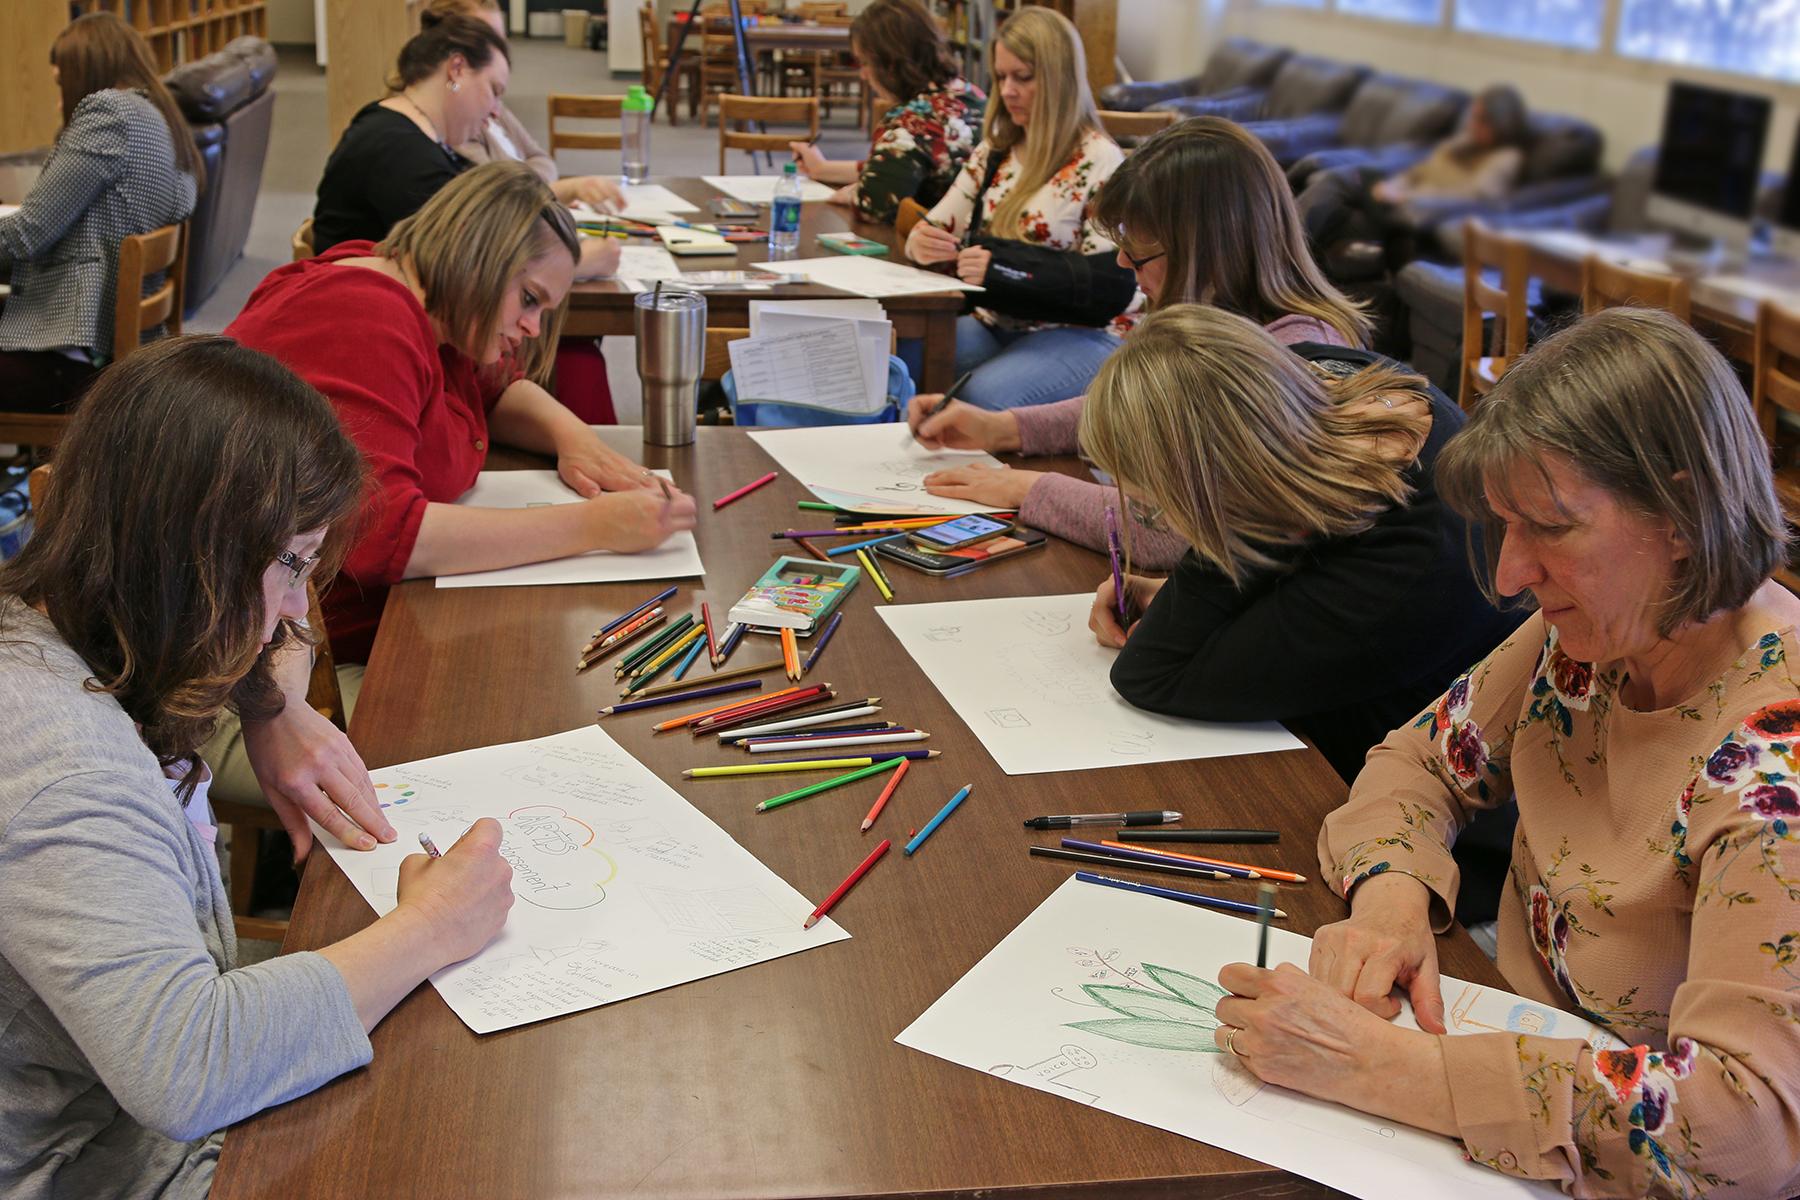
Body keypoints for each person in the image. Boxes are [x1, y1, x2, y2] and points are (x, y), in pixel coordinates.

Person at [1210, 307, 1800, 1197]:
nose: (1513, 574)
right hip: (1518, 1086)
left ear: (1680, 514)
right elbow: (1418, 763)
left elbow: (1743, 1128)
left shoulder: (1773, 764)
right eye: (1505, 526)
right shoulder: (1594, 637)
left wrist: (1380, 1069)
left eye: (1551, 529)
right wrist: (1391, 898)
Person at [0, 334, 515, 1198]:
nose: (289, 609)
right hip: (96, 1167)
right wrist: (435, 926)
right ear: (178, 547)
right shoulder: (69, 769)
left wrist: (276, 708)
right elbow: (188, 1066)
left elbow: (288, 630)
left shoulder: (67, 615)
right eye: (285, 564)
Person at [230, 162, 696, 667]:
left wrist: (574, 438)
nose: (533, 327)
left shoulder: (427, 300)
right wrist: (596, 526)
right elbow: (384, 535)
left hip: (380, 616)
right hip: (288, 653)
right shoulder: (364, 317)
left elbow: (491, 390)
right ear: (476, 255)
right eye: (529, 298)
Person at [1081, 304, 1517, 795]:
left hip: (1401, 775)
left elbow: (1149, 674)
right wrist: (1172, 590)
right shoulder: (1319, 374)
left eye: (1166, 503)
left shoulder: (1407, 561)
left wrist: (1206, 567)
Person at [907, 117, 1371, 570]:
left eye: (1140, 248)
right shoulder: (1222, 318)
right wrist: (1003, 428)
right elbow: (1127, 411)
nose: (1125, 261)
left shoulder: (1288, 358)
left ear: (1206, 248)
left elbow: (1174, 533)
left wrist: (1025, 489)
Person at [901, 6, 1134, 411]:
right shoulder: (996, 151)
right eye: (1001, 77)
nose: (1007, 91)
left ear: (1059, 79)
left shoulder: (1100, 160)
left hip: (1084, 332)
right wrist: (921, 244)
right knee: (899, 361)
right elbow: (932, 226)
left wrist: (1004, 269)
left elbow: (1112, 282)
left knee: (980, 400)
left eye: (1023, 78)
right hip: (998, 321)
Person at [311, 15, 620, 282]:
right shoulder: (399, 150)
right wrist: (578, 263)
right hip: (372, 317)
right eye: (494, 90)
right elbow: (470, 267)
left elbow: (484, 220)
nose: (497, 111)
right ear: (456, 69)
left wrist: (561, 192)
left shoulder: (405, 131)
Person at [0, 12, 201, 414]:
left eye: (62, 84)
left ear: (87, 71)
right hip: (122, 350)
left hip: (75, 358)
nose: (60, 101)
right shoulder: (161, 118)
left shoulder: (108, 113)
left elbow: (26, 236)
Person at [785, 0, 985, 225]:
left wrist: (854, 193)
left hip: (936, 244)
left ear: (889, 64)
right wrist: (823, 168)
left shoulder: (908, 123)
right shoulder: (971, 94)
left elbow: (875, 206)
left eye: (864, 63)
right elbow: (898, 165)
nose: (862, 75)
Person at [419, 0, 625, 214]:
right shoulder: (459, 123)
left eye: (501, 43)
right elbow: (500, 199)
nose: (500, 55)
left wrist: (536, 191)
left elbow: (540, 157)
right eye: (487, 43)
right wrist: (555, 191)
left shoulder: (489, 101)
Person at [1298, 83, 1530, 272]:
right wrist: (1392, 187)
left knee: (1336, 184)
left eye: (1481, 120)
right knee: (1337, 191)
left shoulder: (1505, 159)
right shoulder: (1462, 144)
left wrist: (1405, 195)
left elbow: (1468, 198)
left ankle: (1282, 239)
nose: (1473, 125)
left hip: (1417, 218)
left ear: (1501, 125)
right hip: (1396, 205)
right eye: (1474, 117)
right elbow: (1417, 172)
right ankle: (1288, 246)